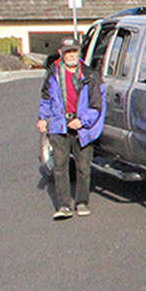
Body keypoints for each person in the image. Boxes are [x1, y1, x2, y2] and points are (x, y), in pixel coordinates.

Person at [37, 36, 105, 219]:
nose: (71, 55)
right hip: (59, 126)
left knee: (83, 168)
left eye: (74, 51)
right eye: (68, 52)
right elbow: (46, 98)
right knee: (60, 167)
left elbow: (97, 105)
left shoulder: (90, 75)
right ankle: (64, 205)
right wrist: (43, 118)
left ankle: (82, 202)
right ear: (61, 53)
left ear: (79, 52)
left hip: (82, 127)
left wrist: (83, 121)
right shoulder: (53, 74)